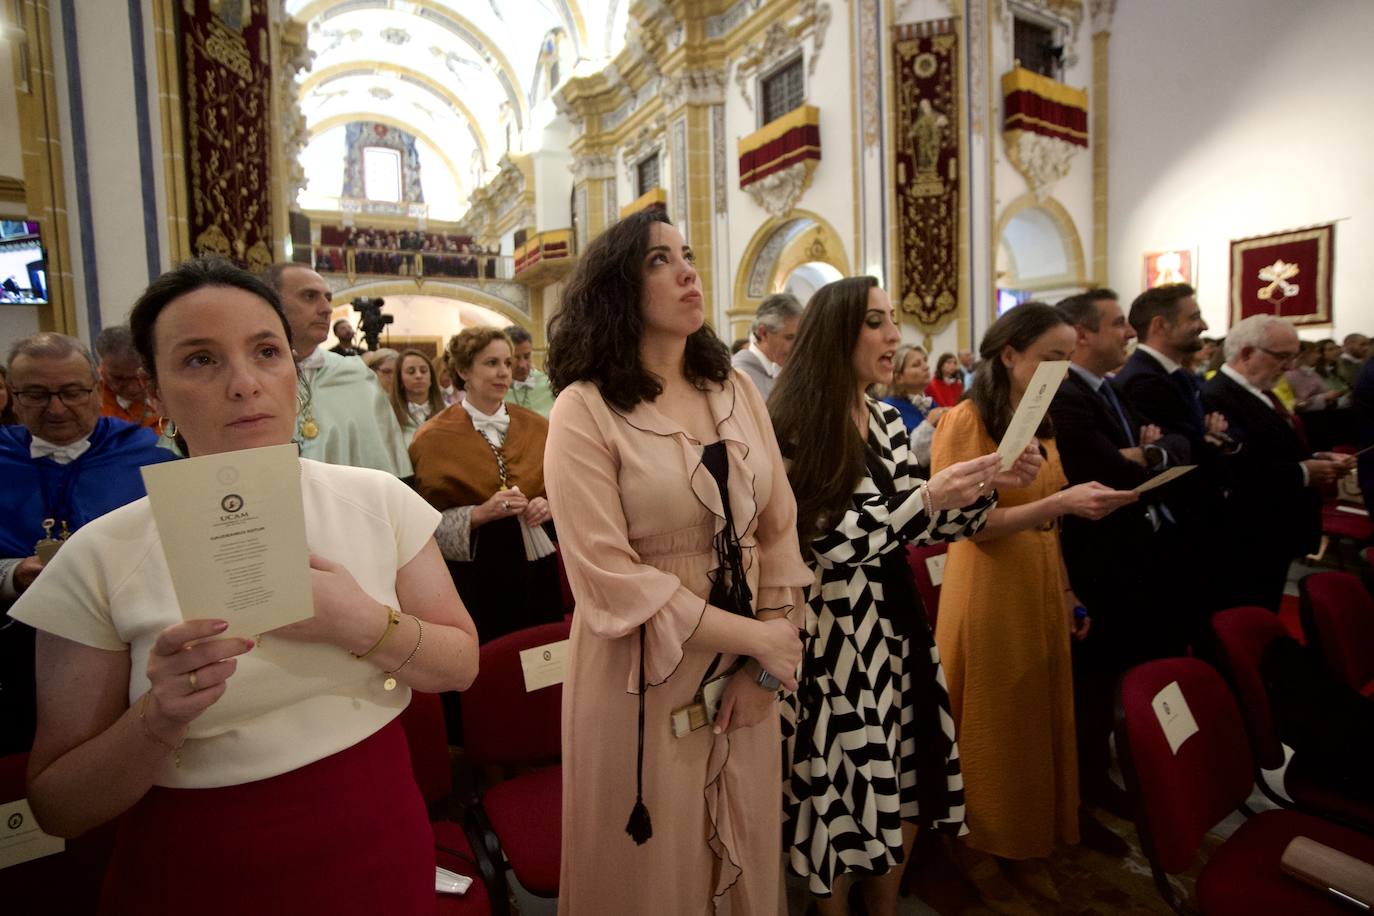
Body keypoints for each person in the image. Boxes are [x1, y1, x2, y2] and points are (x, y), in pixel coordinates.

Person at [9, 258, 480, 914]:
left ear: (294, 369)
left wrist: (363, 623)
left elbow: (460, 666)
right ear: (155, 390)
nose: (244, 384)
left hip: (375, 835)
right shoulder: (99, 556)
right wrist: (157, 716)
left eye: (265, 351)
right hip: (202, 867)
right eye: (201, 360)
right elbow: (58, 806)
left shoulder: (376, 499)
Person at [543, 210, 811, 914]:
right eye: (659, 261)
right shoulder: (584, 409)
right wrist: (757, 639)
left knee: (745, 839)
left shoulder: (736, 389)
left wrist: (762, 667)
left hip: (746, 671)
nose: (688, 271)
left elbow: (779, 530)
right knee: (652, 867)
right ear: (616, 292)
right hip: (641, 672)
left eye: (687, 255)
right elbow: (606, 575)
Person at [771, 276, 1037, 916]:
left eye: (893, 320)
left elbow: (914, 523)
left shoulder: (886, 416)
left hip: (896, 618)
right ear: (835, 334)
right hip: (837, 630)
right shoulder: (797, 419)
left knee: (906, 766)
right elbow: (820, 540)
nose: (894, 336)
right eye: (875, 322)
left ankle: (884, 908)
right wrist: (928, 496)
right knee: (840, 787)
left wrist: (978, 487)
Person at [932, 302, 1138, 908]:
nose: (1063, 370)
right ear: (1010, 354)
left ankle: (1023, 840)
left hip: (1041, 579)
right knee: (995, 718)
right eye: (1052, 358)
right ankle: (976, 846)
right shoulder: (966, 419)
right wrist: (1057, 507)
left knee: (1036, 715)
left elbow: (1055, 509)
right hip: (990, 586)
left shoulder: (1040, 419)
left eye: (1068, 358)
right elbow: (960, 523)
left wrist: (1069, 587)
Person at [1050, 290, 1194, 848]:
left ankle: (1100, 778)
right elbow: (1105, 471)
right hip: (1092, 562)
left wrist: (1146, 454)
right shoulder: (1065, 396)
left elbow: (1178, 446)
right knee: (1087, 688)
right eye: (1116, 325)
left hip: (1129, 556)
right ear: (1082, 334)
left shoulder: (1107, 390)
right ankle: (1081, 792)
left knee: (1111, 681)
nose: (1128, 334)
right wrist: (1141, 455)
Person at [0, 333, 177, 754]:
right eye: (37, 395)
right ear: (13, 395)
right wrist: (11, 573)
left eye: (71, 392)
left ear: (97, 390)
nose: (56, 408)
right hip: (12, 650)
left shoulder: (151, 457)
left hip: (123, 648)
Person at [409, 326, 562, 645]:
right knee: (492, 657)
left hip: (536, 558)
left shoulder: (537, 426)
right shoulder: (433, 438)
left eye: (507, 363)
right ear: (464, 370)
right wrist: (479, 513)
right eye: (491, 363)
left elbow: (560, 490)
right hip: (479, 568)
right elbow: (423, 524)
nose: (503, 372)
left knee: (542, 652)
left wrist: (548, 505)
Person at [1204, 315, 1352, 611]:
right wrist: (1303, 472)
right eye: (1282, 357)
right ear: (1247, 353)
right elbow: (1236, 469)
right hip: (1251, 534)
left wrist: (1315, 460)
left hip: (1273, 530)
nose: (1290, 366)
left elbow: (1272, 450)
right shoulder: (1217, 395)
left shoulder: (1258, 392)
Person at [262, 264, 410, 476]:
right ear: (272, 303)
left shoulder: (358, 376)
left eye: (328, 298)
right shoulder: (249, 378)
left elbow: (385, 470)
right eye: (310, 296)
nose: (326, 308)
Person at [880, 344, 945, 473]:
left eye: (925, 362)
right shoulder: (888, 409)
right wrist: (929, 424)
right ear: (899, 377)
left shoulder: (929, 403)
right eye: (916, 365)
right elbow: (903, 460)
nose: (926, 367)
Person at [731, 292, 802, 400]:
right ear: (763, 333)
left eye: (799, 338)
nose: (797, 347)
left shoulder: (783, 368)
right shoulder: (738, 376)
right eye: (789, 338)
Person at [94, 326, 162, 429]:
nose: (133, 389)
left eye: (140, 376)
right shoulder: (89, 401)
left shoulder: (171, 387)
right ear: (102, 367)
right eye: (119, 379)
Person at [389, 349, 444, 446]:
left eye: (424, 371)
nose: (418, 376)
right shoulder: (390, 414)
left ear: (431, 378)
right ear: (400, 379)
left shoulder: (448, 412)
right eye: (411, 372)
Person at [503, 325, 554, 417]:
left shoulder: (549, 384)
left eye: (527, 356)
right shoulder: (497, 390)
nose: (522, 365)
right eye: (516, 358)